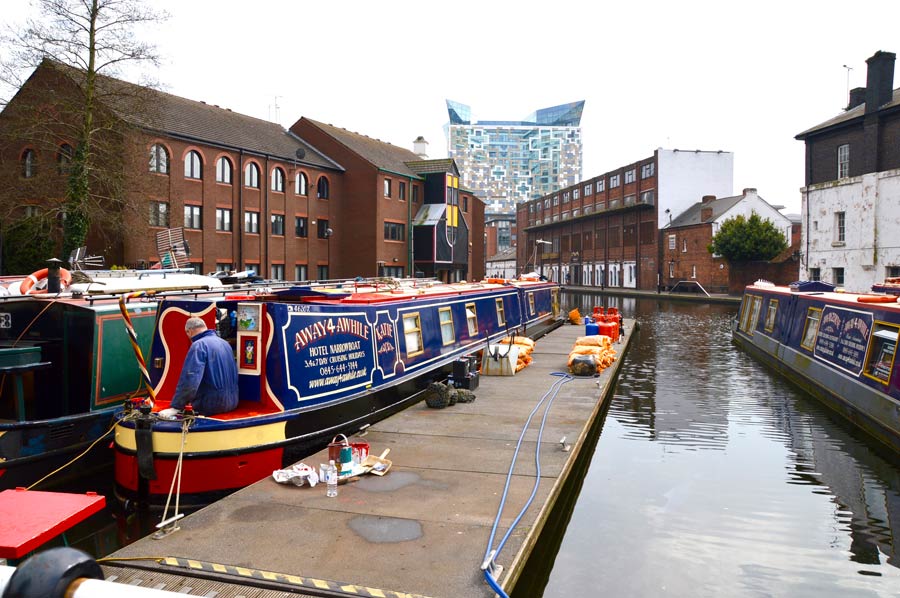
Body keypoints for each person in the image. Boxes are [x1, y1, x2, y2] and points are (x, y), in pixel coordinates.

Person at [158, 316, 239, 418]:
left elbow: (190, 380)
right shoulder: (225, 344)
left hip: (211, 405)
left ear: (189, 332)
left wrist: (177, 406)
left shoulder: (199, 345)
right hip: (232, 402)